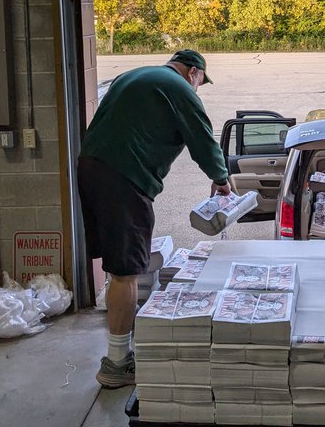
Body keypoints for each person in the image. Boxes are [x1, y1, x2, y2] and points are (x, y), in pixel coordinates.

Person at [77, 49, 231, 388]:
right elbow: (203, 139)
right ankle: (117, 364)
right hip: (124, 177)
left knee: (118, 265)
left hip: (91, 167)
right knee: (126, 272)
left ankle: (119, 352)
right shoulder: (178, 89)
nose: (198, 88)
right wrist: (221, 180)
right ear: (193, 72)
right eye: (200, 82)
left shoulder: (134, 76)